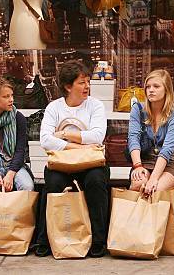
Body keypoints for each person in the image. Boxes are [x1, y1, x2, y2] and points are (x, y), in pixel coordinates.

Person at [35, 60, 109, 258]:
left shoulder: (96, 106)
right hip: (62, 162)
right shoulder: (54, 108)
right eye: (82, 82)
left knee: (96, 181)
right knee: (52, 183)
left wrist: (64, 135)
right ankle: (44, 239)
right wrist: (76, 145)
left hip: (91, 162)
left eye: (87, 82)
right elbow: (45, 140)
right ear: (68, 86)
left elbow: (97, 136)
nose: (87, 86)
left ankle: (98, 240)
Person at [128, 69, 174, 194]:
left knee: (156, 189)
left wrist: (153, 179)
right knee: (138, 184)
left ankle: (159, 214)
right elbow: (133, 138)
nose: (151, 90)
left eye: (156, 86)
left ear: (167, 90)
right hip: (145, 159)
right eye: (148, 87)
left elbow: (167, 151)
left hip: (170, 162)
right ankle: (133, 214)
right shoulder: (137, 109)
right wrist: (137, 165)